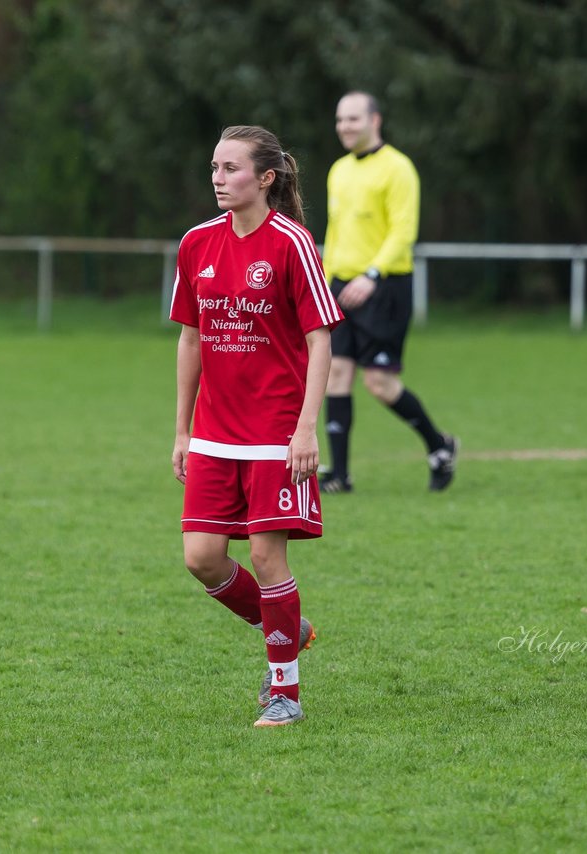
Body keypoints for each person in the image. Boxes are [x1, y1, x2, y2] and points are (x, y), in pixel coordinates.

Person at [170, 125, 342, 727]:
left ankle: (284, 694)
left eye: (232, 168)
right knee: (202, 557)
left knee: (268, 559)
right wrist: (182, 430)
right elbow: (191, 340)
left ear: (266, 177)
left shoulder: (292, 243)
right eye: (214, 167)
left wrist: (306, 429)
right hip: (215, 430)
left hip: (275, 429)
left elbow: (320, 340)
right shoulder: (196, 244)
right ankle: (288, 627)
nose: (218, 178)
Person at [320, 91, 457, 494]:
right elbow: (337, 233)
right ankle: (340, 475)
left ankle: (439, 446)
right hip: (341, 285)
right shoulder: (338, 171)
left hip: (384, 286)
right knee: (336, 374)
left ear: (375, 121)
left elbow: (403, 231)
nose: (345, 127)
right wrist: (326, 283)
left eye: (353, 119)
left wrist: (373, 274)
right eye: (340, 120)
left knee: (379, 383)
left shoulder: (398, 169)